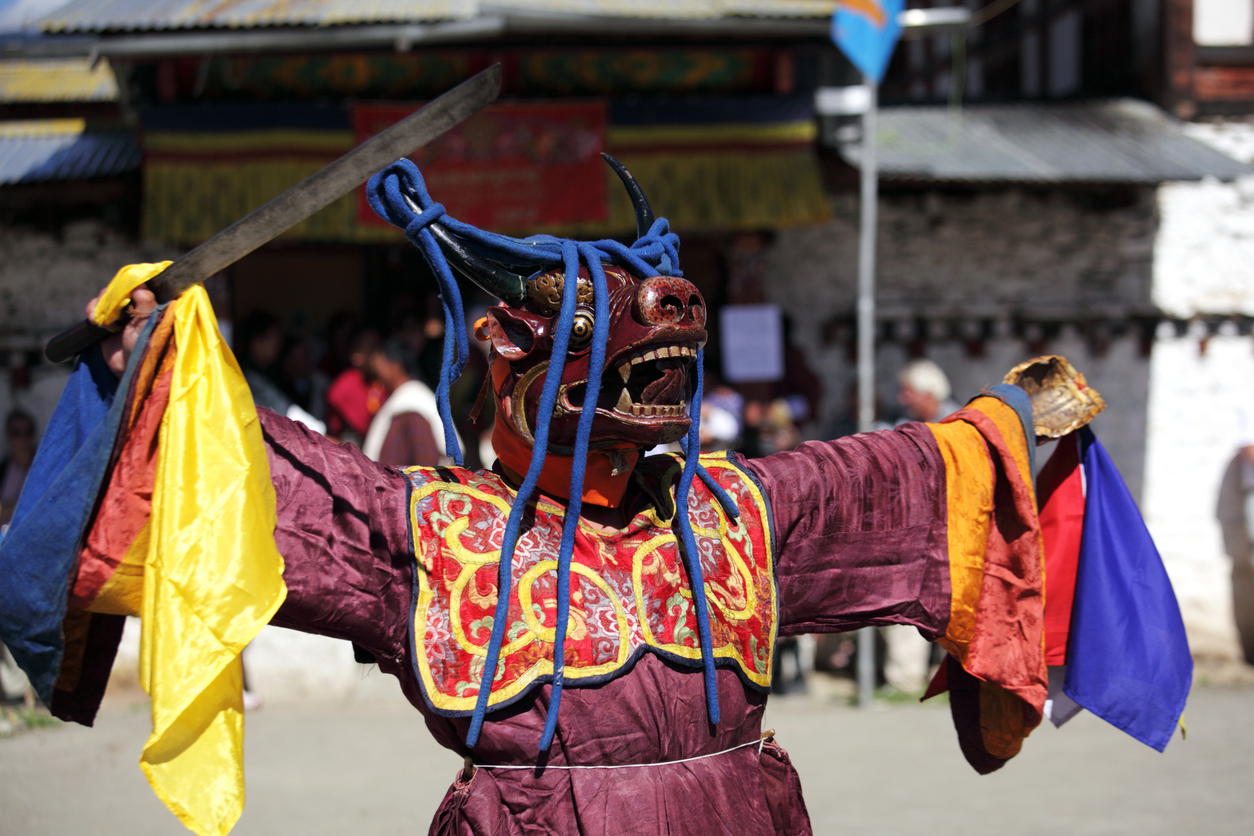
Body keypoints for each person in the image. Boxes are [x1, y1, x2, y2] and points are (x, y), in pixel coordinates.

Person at [9, 157, 1104, 836]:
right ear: (512, 360)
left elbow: (901, 476)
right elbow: (251, 484)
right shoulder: (435, 531)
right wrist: (151, 370)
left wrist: (1011, 427)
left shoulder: (735, 510)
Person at [362, 337, 445, 468]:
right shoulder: (400, 402)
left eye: (379, 367)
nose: (377, 374)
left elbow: (427, 463)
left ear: (395, 366)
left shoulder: (413, 405)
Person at [0, 410, 36, 529]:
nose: (23, 438)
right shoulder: (3, 468)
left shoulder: (39, 469)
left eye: (28, 432)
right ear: (8, 435)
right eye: (17, 433)